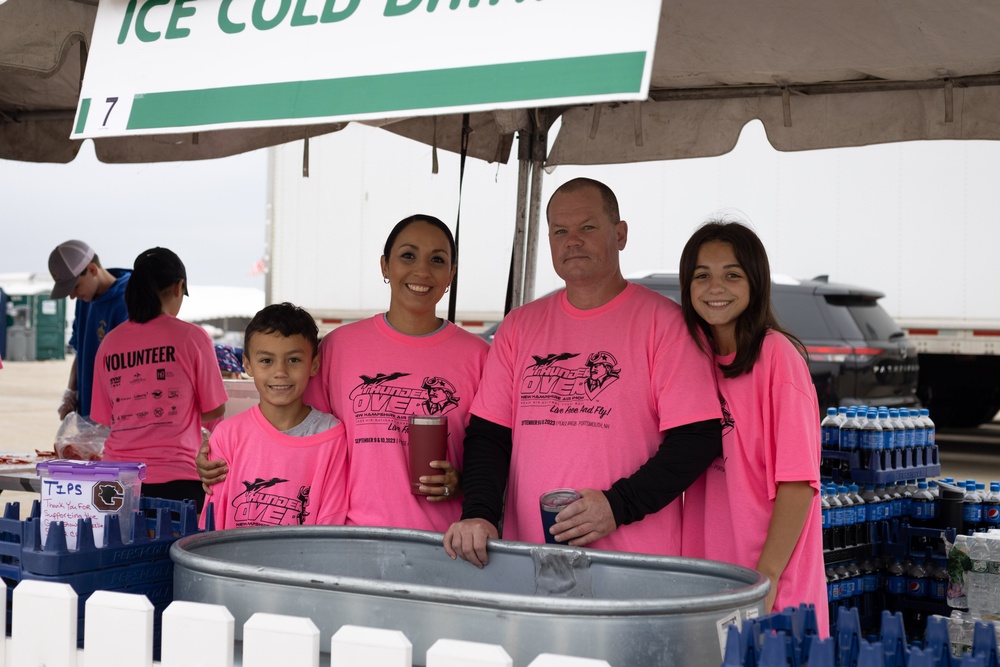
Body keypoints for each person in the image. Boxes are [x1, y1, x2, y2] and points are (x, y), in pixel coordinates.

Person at [444, 178, 724, 567]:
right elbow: (489, 436)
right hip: (531, 562)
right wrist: (479, 512)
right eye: (560, 231)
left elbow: (697, 438)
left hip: (636, 569)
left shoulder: (667, 324)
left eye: (587, 227)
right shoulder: (519, 327)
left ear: (620, 233)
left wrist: (616, 506)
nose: (572, 240)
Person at [198, 214, 489, 533]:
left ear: (452, 274)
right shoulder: (340, 346)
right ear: (385, 266)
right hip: (349, 539)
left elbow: (492, 452)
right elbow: (289, 430)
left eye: (437, 260)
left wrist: (460, 483)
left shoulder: (479, 356)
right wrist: (218, 457)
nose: (421, 270)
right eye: (408, 255)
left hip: (442, 541)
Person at [676, 221, 827, 629]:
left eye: (732, 274)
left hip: (772, 584)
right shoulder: (694, 359)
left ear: (755, 282)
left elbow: (798, 484)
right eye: (701, 275)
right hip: (713, 581)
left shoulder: (778, 358)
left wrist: (768, 577)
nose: (715, 287)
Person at [90, 247, 227, 509]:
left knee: (119, 551)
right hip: (178, 480)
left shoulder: (109, 343)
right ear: (179, 287)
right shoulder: (193, 337)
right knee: (175, 551)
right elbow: (215, 409)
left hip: (115, 481)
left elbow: (105, 416)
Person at [203, 303, 348, 529]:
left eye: (293, 360)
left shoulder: (332, 436)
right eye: (266, 361)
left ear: (314, 364)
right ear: (248, 366)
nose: (280, 372)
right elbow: (213, 524)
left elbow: (331, 524)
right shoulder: (227, 436)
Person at [48, 240, 130, 421]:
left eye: (75, 287)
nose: (72, 295)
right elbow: (80, 350)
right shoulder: (84, 301)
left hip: (121, 416)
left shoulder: (130, 298)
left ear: (92, 270)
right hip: (87, 412)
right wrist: (71, 393)